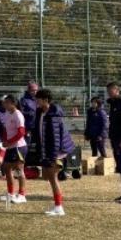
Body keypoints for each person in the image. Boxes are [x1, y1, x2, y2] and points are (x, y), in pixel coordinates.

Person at [35, 89, 76, 217]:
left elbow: (55, 139)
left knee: (53, 178)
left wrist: (52, 157)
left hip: (56, 151)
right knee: (47, 177)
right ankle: (57, 205)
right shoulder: (41, 112)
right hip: (48, 150)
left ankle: (59, 207)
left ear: (45, 100)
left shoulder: (53, 115)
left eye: (38, 99)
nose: (36, 101)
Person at [0, 95, 27, 205]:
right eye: (4, 102)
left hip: (19, 147)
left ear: (13, 103)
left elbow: (21, 132)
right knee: (6, 168)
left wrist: (10, 141)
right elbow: (5, 130)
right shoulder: (6, 114)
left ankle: (22, 195)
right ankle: (10, 193)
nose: (4, 104)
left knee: (19, 170)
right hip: (10, 147)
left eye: (6, 102)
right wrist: (5, 141)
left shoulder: (18, 115)